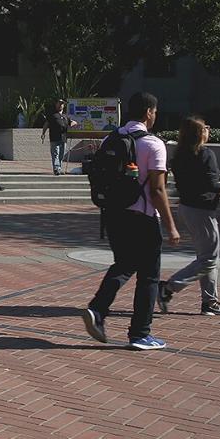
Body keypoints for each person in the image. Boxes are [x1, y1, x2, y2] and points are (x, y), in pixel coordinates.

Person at [82, 91, 180, 351]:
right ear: (149, 112)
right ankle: (140, 333)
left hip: (113, 213)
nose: (155, 116)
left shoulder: (110, 139)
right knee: (149, 276)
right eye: (155, 112)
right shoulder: (153, 144)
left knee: (124, 264)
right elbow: (158, 190)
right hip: (143, 217)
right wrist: (170, 225)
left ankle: (98, 309)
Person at [159, 116, 220, 317]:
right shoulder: (205, 154)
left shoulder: (180, 155)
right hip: (202, 210)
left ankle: (209, 302)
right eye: (206, 127)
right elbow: (212, 186)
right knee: (209, 259)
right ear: (199, 133)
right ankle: (169, 287)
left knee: (207, 257)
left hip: (187, 208)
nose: (209, 130)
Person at [40, 100, 72, 176]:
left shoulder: (65, 116)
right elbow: (46, 124)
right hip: (54, 138)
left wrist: (76, 124)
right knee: (55, 154)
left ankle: (59, 168)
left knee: (61, 154)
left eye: (62, 104)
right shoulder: (52, 115)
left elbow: (71, 123)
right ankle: (56, 168)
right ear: (56, 105)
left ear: (63, 106)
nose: (60, 105)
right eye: (59, 104)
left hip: (63, 138)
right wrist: (43, 133)